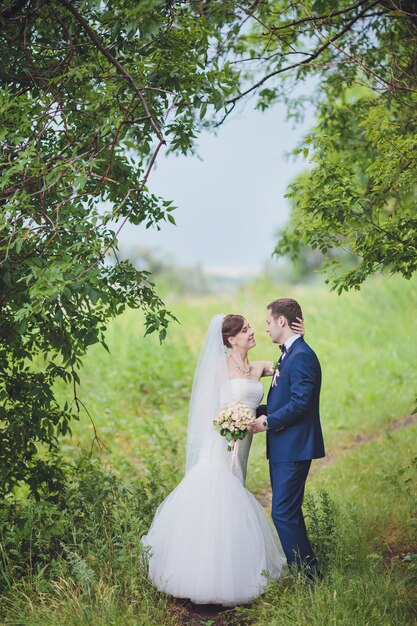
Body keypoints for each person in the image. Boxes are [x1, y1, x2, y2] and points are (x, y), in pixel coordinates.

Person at [141, 313, 304, 606]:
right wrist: (228, 424)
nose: (252, 332)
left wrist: (297, 336)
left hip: (242, 449)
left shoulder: (258, 368)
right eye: (245, 330)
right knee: (215, 499)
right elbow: (205, 411)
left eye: (252, 327)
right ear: (231, 339)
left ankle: (231, 568)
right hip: (219, 444)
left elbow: (293, 361)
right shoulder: (218, 368)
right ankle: (201, 575)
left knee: (231, 496)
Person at [252, 298, 325, 582]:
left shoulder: (302, 355)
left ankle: (309, 577)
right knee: (287, 512)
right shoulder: (289, 354)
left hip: (294, 446)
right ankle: (306, 573)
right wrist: (249, 413)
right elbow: (283, 400)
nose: (266, 328)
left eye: (268, 322)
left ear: (282, 321)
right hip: (284, 446)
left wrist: (268, 422)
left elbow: (301, 403)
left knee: (283, 512)